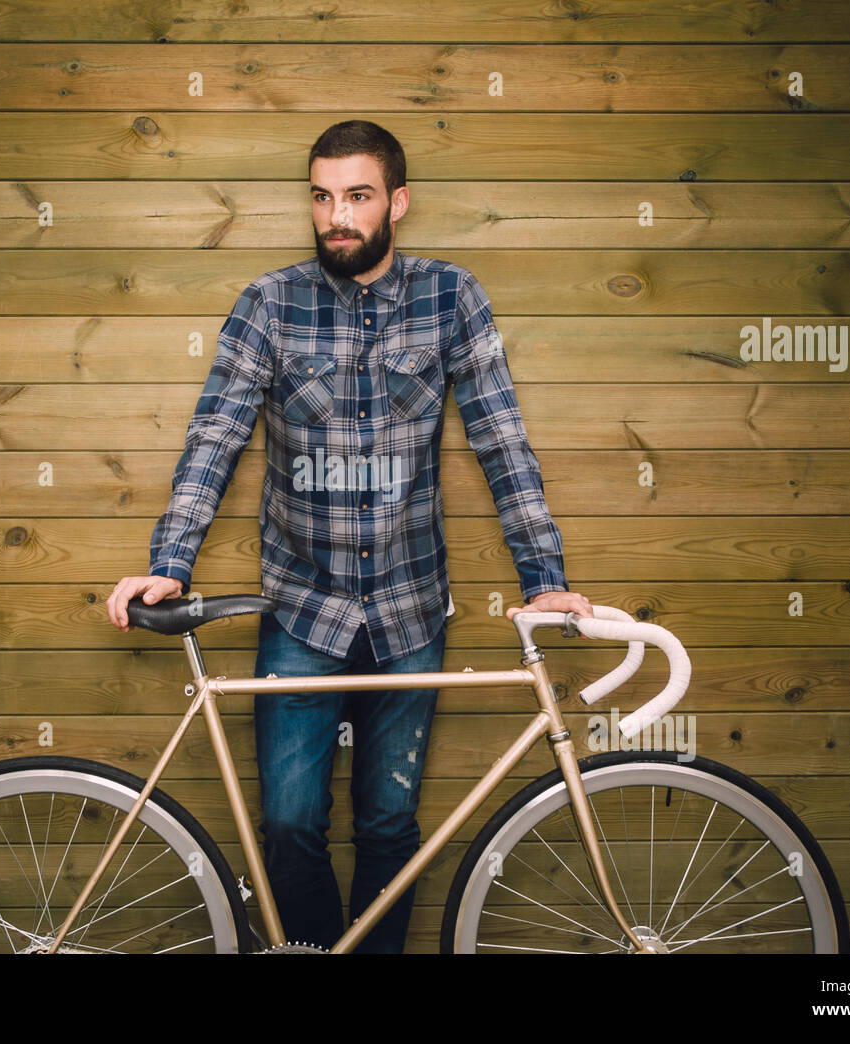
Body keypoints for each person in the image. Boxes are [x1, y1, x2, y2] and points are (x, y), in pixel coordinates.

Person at [106, 119, 593, 952]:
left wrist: (541, 576)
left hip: (410, 609)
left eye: (358, 197)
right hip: (302, 609)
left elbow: (500, 440)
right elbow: (214, 438)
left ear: (397, 203)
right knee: (291, 825)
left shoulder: (451, 298)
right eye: (323, 197)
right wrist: (170, 564)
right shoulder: (269, 303)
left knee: (390, 825)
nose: (338, 216)